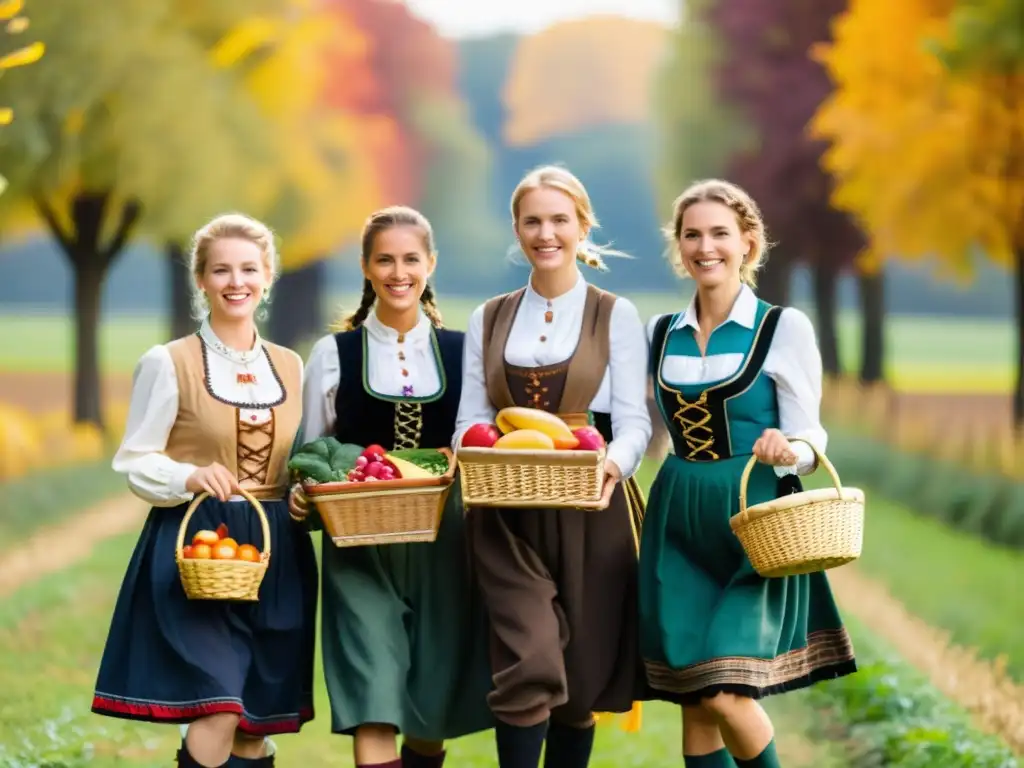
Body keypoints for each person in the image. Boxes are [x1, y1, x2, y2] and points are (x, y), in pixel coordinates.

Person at [639, 179, 858, 768]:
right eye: (691, 235)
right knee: (694, 699)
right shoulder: (658, 332)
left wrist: (790, 449)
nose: (704, 246)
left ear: (748, 243)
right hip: (677, 523)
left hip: (753, 522)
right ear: (678, 247)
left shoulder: (782, 327)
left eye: (719, 233)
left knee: (726, 695)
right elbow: (635, 427)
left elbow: (811, 433)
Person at [91, 213, 318, 768]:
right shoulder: (169, 363)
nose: (235, 281)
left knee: (254, 722)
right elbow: (135, 460)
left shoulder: (291, 366)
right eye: (221, 270)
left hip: (276, 551)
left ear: (267, 276)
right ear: (202, 280)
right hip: (197, 547)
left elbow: (304, 459)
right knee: (218, 704)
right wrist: (188, 476)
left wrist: (305, 495)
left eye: (247, 269)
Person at [453, 164, 652, 768]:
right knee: (530, 661)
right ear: (516, 230)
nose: (546, 233)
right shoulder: (486, 317)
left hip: (592, 508)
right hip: (504, 514)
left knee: (578, 684)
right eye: (532, 221)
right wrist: (486, 454)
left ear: (583, 226)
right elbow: (467, 424)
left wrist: (611, 466)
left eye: (559, 220)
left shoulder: (614, 313)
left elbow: (634, 423)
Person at [288, 205, 494, 768]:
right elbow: (308, 454)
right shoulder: (333, 355)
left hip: (446, 546)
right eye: (384, 259)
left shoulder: (464, 350)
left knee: (432, 710)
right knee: (373, 699)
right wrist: (304, 494)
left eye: (410, 259)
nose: (397, 272)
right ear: (365, 266)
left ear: (430, 263)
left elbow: (483, 442)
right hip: (360, 548)